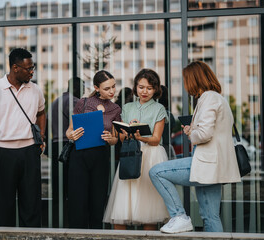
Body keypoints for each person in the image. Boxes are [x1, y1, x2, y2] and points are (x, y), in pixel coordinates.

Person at [149, 61, 241, 233]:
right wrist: (193, 129)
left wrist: (192, 133)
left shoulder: (208, 98)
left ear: (194, 79)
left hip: (206, 162)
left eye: (185, 80)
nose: (184, 84)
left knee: (156, 172)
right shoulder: (217, 98)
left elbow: (205, 134)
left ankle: (179, 216)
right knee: (210, 216)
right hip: (214, 166)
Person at [0, 48, 45, 227]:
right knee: (4, 206)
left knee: (31, 206)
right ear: (15, 68)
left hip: (30, 152)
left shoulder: (36, 90)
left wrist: (42, 138)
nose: (32, 71)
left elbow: (41, 113)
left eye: (33, 67)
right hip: (3, 154)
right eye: (28, 68)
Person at [103, 68, 170, 230]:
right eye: (141, 87)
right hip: (130, 153)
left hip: (151, 156)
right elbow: (120, 137)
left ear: (155, 89)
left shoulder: (159, 109)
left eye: (149, 88)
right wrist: (128, 131)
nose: (144, 91)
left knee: (149, 211)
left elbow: (156, 139)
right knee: (122, 207)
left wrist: (140, 137)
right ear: (135, 87)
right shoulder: (127, 108)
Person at [65, 70, 121, 229]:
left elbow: (115, 139)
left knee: (98, 201)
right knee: (78, 201)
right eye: (106, 88)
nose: (111, 91)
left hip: (101, 157)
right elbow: (69, 131)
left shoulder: (115, 109)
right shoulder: (82, 103)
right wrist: (72, 135)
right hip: (79, 156)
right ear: (97, 88)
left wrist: (112, 140)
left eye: (113, 87)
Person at [50, 77, 84, 227]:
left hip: (55, 146)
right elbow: (77, 123)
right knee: (73, 187)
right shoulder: (74, 101)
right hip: (69, 145)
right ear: (76, 87)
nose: (83, 91)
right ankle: (71, 223)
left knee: (58, 188)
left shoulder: (55, 101)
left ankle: (57, 221)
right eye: (82, 87)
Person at [158, 85, 176, 160]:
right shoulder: (169, 115)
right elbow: (171, 132)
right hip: (168, 149)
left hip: (158, 149)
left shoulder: (153, 114)